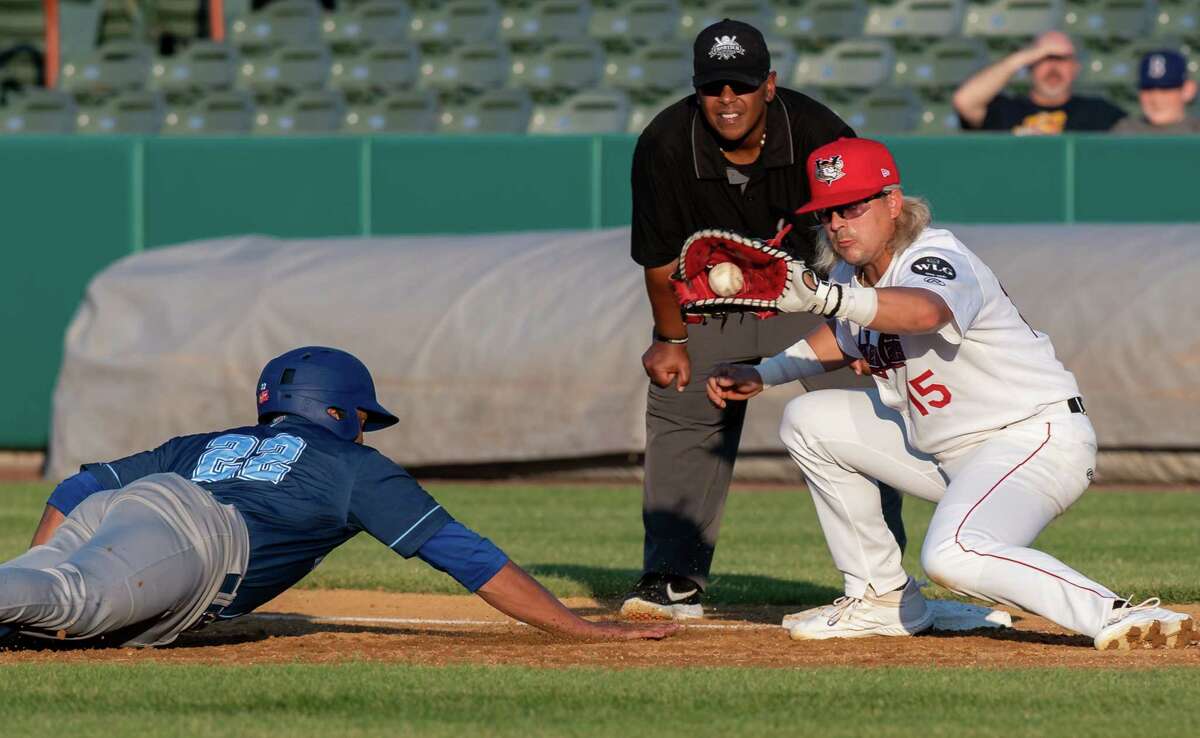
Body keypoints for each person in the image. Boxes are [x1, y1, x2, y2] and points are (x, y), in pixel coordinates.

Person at [706, 138, 1194, 650]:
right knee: (809, 419)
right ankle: (882, 599)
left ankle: (1113, 612)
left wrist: (830, 297)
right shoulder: (853, 275)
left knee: (952, 555)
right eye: (828, 211)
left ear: (893, 203)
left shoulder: (935, 256)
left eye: (853, 206)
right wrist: (766, 372)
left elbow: (924, 312)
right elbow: (843, 335)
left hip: (1032, 439)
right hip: (947, 452)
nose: (839, 223)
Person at [0, 347, 676, 648]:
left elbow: (78, 486)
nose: (363, 427)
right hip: (195, 537)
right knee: (73, 600)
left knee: (50, 595)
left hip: (137, 510)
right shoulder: (352, 466)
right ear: (341, 412)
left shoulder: (200, 441)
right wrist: (581, 627)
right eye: (361, 416)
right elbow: (466, 556)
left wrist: (52, 552)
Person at [623, 18, 908, 620]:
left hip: (809, 297)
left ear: (769, 85)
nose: (728, 100)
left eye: (742, 85)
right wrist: (669, 338)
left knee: (863, 416)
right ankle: (672, 579)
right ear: (698, 89)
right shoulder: (665, 143)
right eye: (715, 87)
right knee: (681, 410)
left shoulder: (819, 134)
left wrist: (864, 322)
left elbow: (865, 234)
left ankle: (888, 585)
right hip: (708, 303)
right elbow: (658, 260)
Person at [953, 31, 1125, 134]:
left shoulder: (1099, 112)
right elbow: (964, 101)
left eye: (1061, 59)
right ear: (1030, 64)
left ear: (1075, 67)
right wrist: (1020, 58)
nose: (1053, 67)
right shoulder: (1005, 110)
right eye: (1044, 58)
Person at [1113, 49, 1200, 134]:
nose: (1156, 98)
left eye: (1165, 89)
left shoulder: (1196, 130)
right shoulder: (1124, 133)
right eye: (1148, 89)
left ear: (1188, 90)